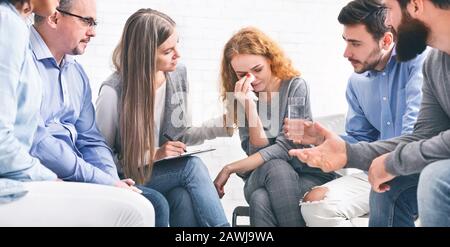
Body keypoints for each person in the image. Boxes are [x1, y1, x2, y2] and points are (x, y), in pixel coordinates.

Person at [289, 0, 450, 227]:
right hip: (407, 162)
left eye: (390, 10)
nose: (389, 21)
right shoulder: (434, 63)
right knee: (384, 191)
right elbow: (422, 136)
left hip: (426, 166)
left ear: (415, 6)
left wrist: (391, 162)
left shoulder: (417, 64)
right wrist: (344, 151)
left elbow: (423, 140)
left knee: (435, 178)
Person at [0, 0, 154, 227]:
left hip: (49, 177)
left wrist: (110, 180)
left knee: (147, 201)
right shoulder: (9, 27)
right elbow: (30, 139)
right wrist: (52, 178)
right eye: (86, 22)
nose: (92, 32)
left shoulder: (75, 72)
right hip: (27, 179)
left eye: (95, 23)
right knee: (139, 210)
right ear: (54, 18)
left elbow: (91, 138)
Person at [96, 8, 230, 227]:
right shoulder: (113, 92)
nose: (178, 54)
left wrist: (223, 125)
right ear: (145, 54)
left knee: (181, 198)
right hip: (125, 176)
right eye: (168, 51)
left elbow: (181, 133)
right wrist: (155, 154)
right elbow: (100, 157)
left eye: (177, 44)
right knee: (191, 167)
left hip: (160, 172)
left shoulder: (177, 74)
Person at [213, 27, 336, 227]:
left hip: (308, 175)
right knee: (275, 167)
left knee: (261, 199)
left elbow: (288, 147)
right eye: (242, 74)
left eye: (257, 69)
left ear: (270, 60)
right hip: (261, 176)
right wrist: (250, 107)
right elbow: (258, 154)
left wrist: (230, 168)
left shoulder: (295, 86)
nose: (251, 79)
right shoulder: (240, 97)